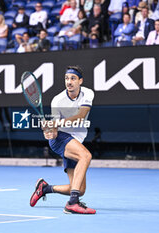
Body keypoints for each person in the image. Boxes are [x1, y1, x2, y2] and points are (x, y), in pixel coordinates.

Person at [29, 65, 96, 215]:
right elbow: (53, 133)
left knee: (79, 188)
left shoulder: (88, 94)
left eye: (73, 78)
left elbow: (80, 116)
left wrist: (55, 123)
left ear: (80, 81)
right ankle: (72, 204)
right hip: (61, 139)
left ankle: (45, 188)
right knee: (86, 156)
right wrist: (49, 132)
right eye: (66, 78)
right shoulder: (57, 100)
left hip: (75, 140)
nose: (69, 81)